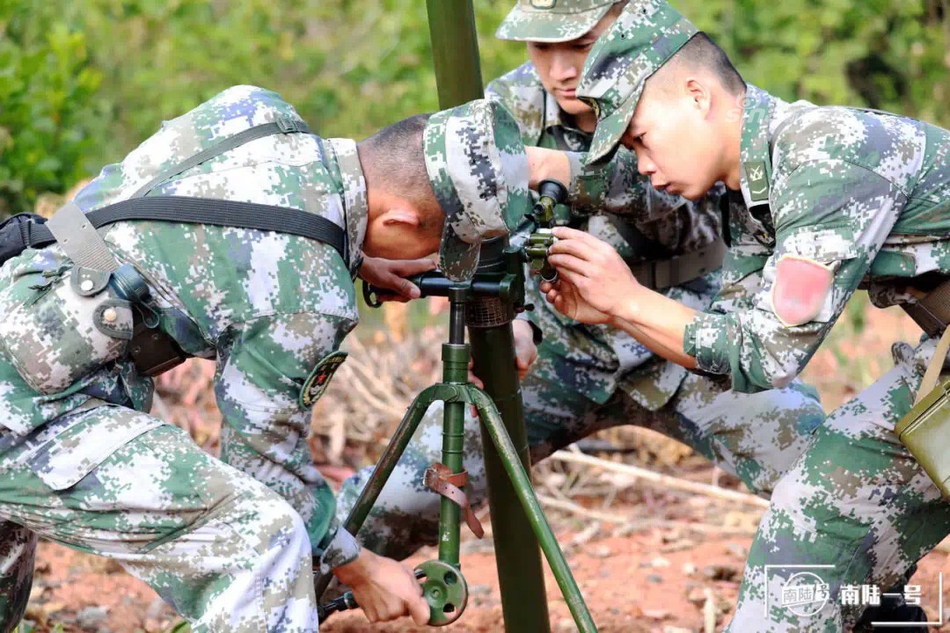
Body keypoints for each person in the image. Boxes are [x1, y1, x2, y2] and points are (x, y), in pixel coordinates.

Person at [0, 86, 529, 632]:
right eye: (439, 243)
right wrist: (359, 567)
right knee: (266, 541)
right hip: (29, 412)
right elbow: (264, 465)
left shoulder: (258, 111)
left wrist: (348, 250)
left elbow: (158, 211)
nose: (431, 258)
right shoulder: (306, 294)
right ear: (397, 221)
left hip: (19, 302)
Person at [334, 0, 826, 567]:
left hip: (687, 333)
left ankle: (870, 601)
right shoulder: (509, 107)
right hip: (559, 347)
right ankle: (292, 590)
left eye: (581, 44)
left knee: (825, 479)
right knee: (393, 505)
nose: (562, 70)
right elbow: (491, 235)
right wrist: (512, 324)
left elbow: (678, 202)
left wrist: (552, 168)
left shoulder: (680, 83)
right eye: (542, 48)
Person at [536, 0, 948, 629]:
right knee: (818, 520)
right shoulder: (752, 190)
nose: (642, 166)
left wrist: (628, 299)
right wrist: (617, 313)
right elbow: (734, 352)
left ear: (697, 95)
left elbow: (769, 352)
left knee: (817, 517)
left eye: (641, 139)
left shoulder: (824, 156)